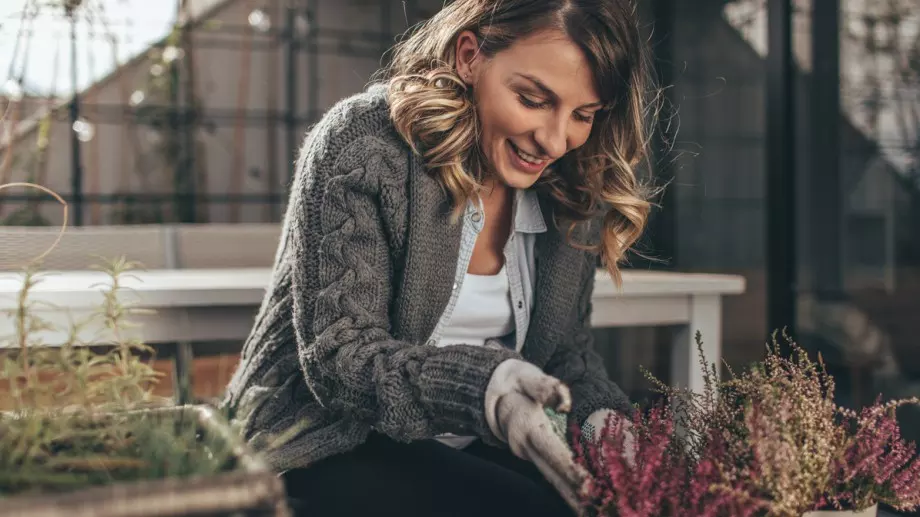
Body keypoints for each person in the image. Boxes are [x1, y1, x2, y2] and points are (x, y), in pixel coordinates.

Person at [224, 0, 656, 515]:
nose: (555, 139)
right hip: (320, 435)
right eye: (533, 99)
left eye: (583, 114)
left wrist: (601, 423)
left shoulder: (570, 187)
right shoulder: (364, 145)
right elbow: (341, 359)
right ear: (470, 56)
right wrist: (487, 390)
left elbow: (566, 357)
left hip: (469, 440)